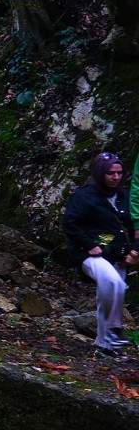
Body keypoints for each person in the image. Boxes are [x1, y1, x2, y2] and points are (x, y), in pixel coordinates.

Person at [63, 152, 138, 356]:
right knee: (114, 284)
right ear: (99, 173)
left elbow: (135, 225)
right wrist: (88, 244)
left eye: (119, 173)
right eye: (110, 173)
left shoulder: (124, 196)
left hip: (119, 255)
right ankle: (115, 329)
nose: (116, 177)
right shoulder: (84, 196)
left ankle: (104, 345)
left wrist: (135, 251)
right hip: (92, 255)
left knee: (109, 293)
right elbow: (69, 223)